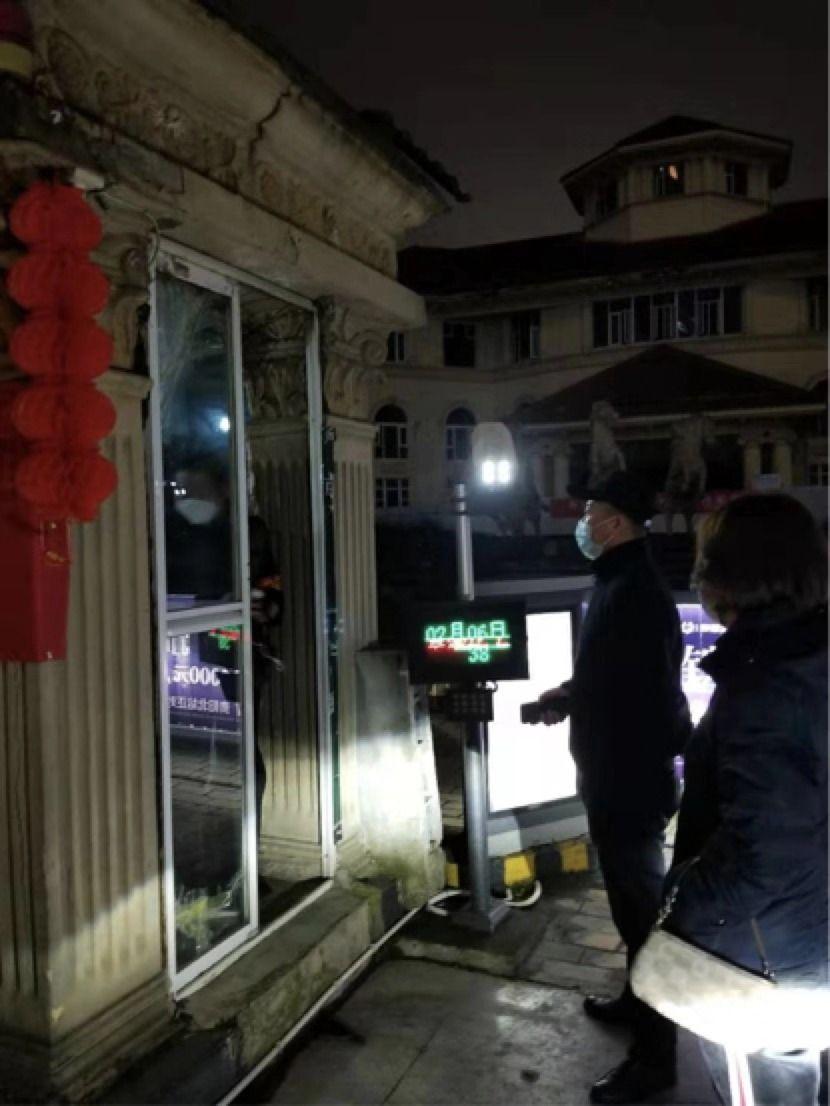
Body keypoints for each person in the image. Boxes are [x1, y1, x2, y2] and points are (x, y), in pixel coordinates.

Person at [663, 493, 828, 1106]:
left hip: (763, 964)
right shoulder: (812, 657)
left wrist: (678, 905)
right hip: (809, 942)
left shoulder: (762, 685)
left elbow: (765, 851)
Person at [539, 470, 692, 1104]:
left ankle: (656, 1059)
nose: (583, 522)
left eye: (591, 512)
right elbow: (610, 676)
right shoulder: (617, 583)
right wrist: (567, 698)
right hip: (612, 771)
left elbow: (648, 695)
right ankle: (637, 999)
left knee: (642, 913)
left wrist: (589, 713)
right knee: (629, 907)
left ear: (617, 523)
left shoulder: (636, 592)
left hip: (628, 779)